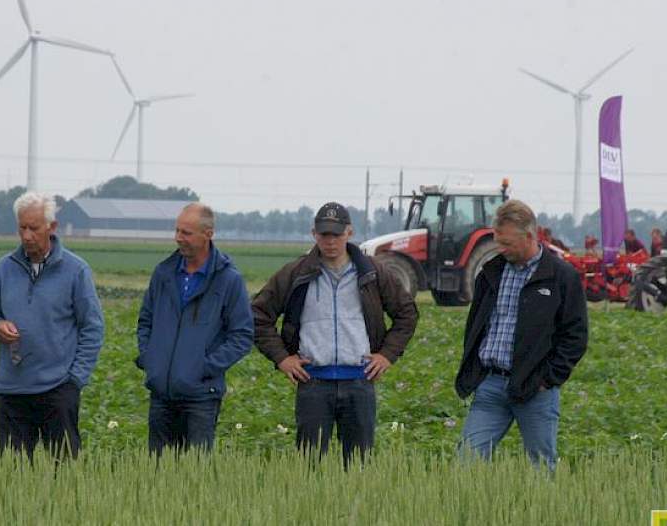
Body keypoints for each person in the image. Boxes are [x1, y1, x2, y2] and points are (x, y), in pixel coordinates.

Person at [252, 202, 418, 465]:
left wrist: (387, 355)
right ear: (314, 234)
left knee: (359, 468)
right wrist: (283, 359)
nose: (330, 241)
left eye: (336, 234)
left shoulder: (373, 273)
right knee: (310, 467)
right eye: (324, 234)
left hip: (360, 384)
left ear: (349, 233)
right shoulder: (295, 273)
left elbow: (407, 313)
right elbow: (258, 316)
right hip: (313, 385)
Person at [455, 199, 588, 470]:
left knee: (541, 467)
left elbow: (575, 335)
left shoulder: (561, 277)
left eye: (507, 243)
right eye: (498, 242)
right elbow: (477, 325)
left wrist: (548, 378)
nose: (501, 249)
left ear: (529, 236)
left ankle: (541, 512)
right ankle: (467, 511)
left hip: (535, 389)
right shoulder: (491, 272)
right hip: (490, 384)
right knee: (466, 462)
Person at [0, 192, 104, 460]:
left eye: (34, 228)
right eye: (22, 228)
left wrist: (75, 380)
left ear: (52, 227)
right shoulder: (5, 268)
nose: (27, 236)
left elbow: (93, 328)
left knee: (64, 474)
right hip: (12, 390)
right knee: (13, 477)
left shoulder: (76, 270)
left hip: (57, 390)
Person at [136, 203, 253, 455]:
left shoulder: (228, 280)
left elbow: (242, 336)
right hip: (161, 393)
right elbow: (145, 321)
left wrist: (204, 367)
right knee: (157, 474)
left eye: (186, 233)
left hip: (201, 397)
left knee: (194, 474)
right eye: (177, 231)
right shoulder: (164, 273)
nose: (179, 238)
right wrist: (151, 359)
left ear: (208, 234)